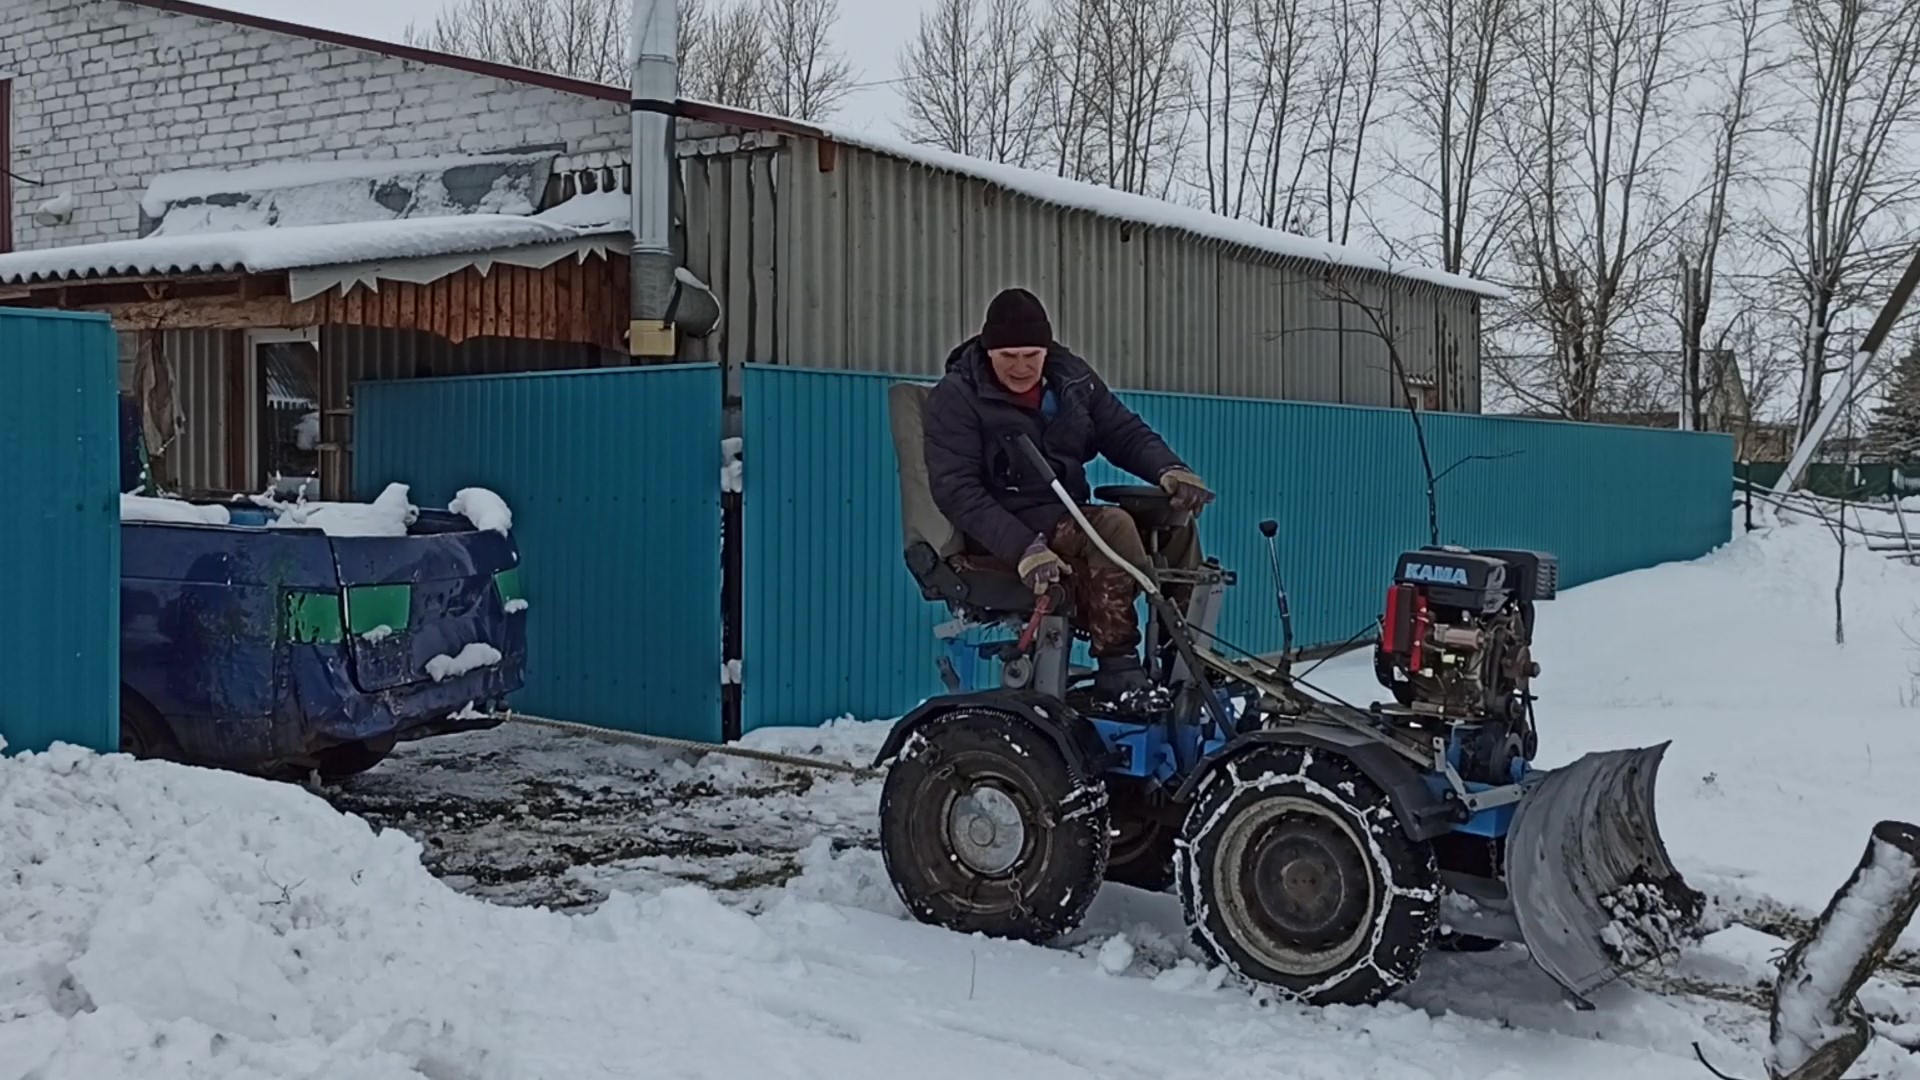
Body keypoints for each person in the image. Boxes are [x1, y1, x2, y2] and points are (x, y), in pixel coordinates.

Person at [923, 287, 1214, 697]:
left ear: (1047, 349)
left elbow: (1123, 431)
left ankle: (1179, 656)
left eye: (1031, 355)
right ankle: (1119, 668)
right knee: (1112, 526)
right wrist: (1024, 548)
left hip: (1065, 508)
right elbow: (957, 490)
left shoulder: (1073, 379)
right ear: (988, 352)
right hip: (1006, 520)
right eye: (1008, 357)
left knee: (1176, 523)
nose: (1021, 367)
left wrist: (1169, 469)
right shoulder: (957, 398)